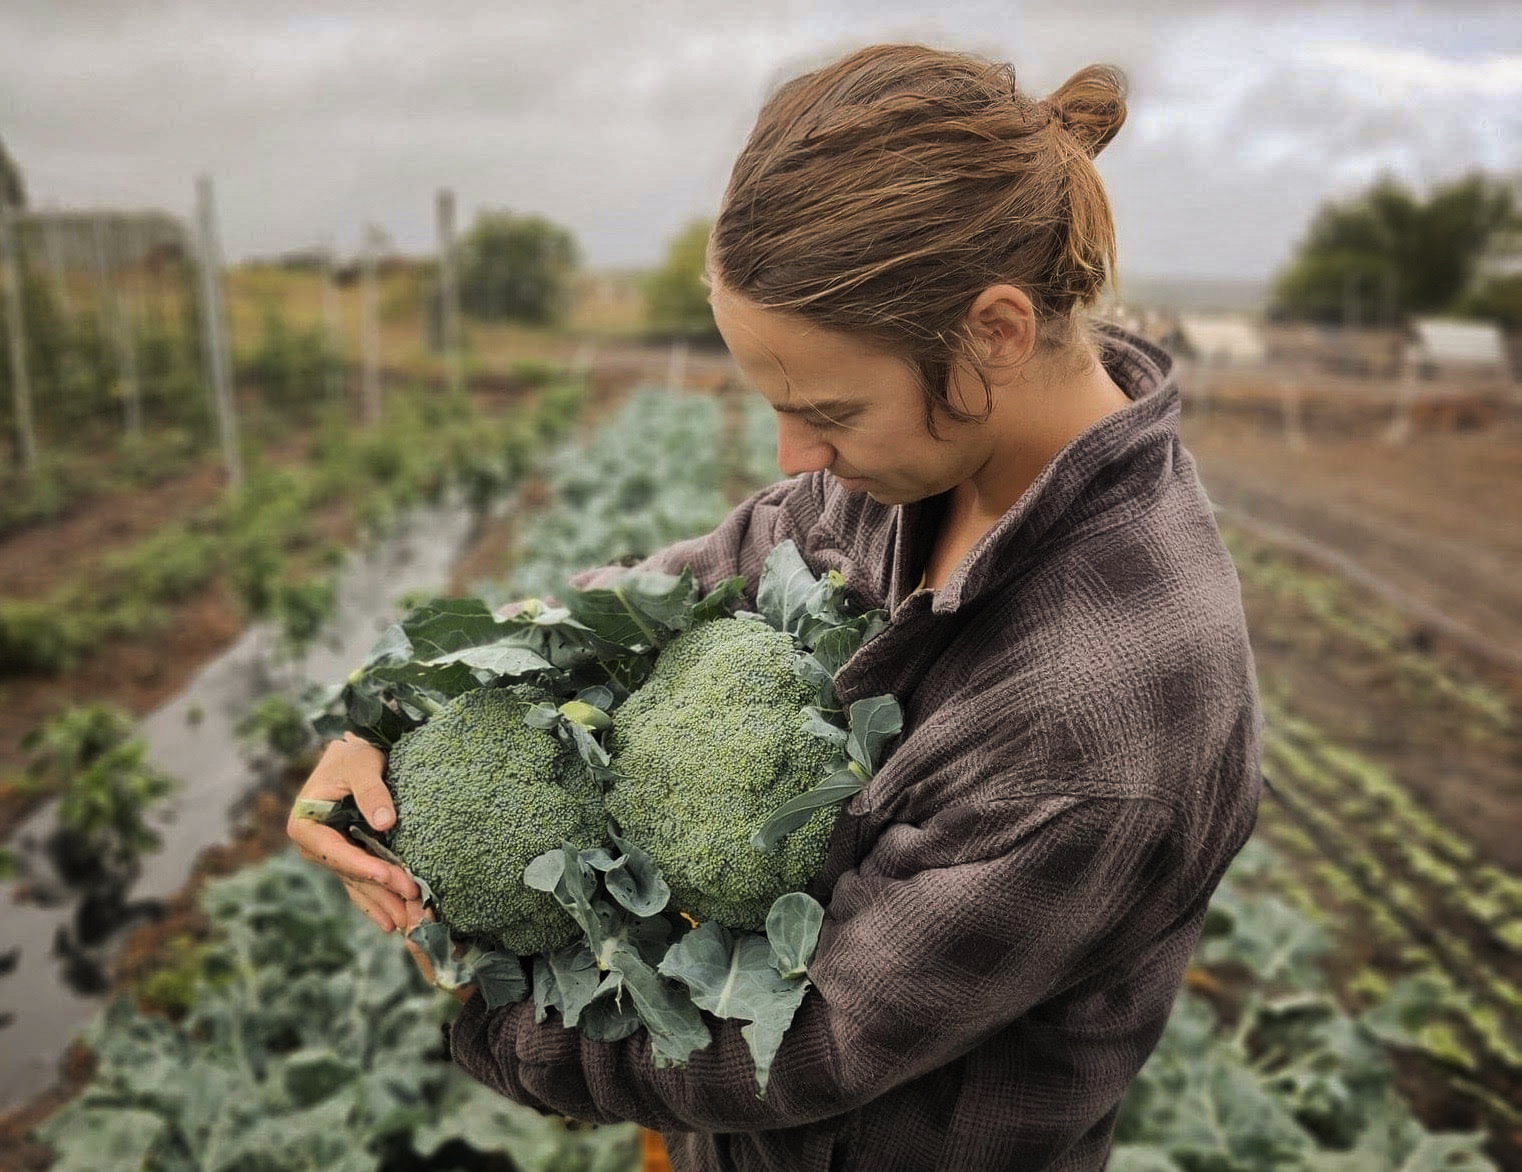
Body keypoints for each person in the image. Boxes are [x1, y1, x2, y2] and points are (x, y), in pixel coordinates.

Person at [289, 42, 1262, 1172]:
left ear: (993, 332)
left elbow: (804, 1041)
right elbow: (689, 581)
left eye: (828, 409)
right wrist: (401, 708)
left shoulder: (1100, 726)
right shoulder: (917, 465)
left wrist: (485, 1012)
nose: (797, 458)